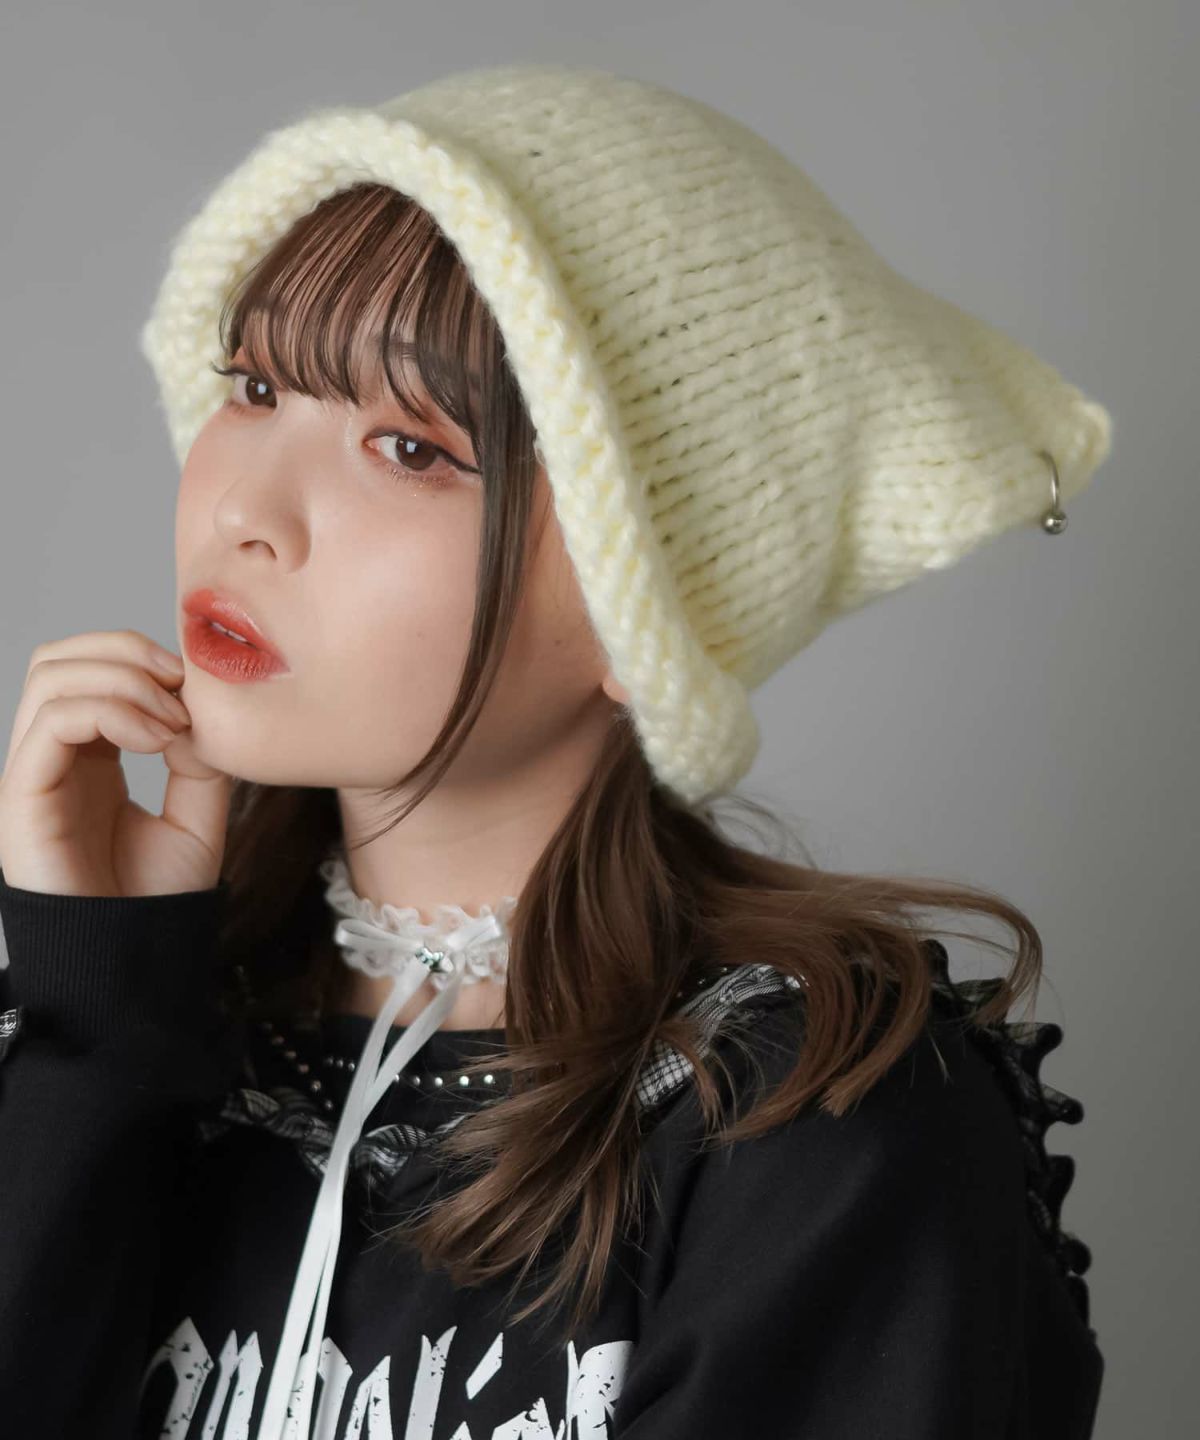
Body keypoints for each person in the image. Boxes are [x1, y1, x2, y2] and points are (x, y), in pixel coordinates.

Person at [0, 61, 1110, 1439]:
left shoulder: (811, 1122)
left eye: (410, 447)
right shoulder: (161, 1014)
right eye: (258, 383)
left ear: (644, 607)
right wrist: (96, 1014)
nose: (246, 513)